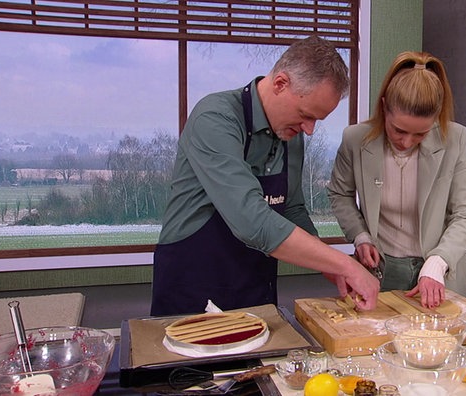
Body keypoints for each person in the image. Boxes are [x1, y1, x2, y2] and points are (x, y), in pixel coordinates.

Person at [150, 35, 380, 316]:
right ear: (281, 83)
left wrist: (330, 268)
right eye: (306, 114)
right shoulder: (215, 118)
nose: (309, 130)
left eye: (317, 120)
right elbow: (251, 221)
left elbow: (291, 210)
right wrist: (345, 265)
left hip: (254, 286)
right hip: (194, 287)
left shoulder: (290, 135)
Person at [327, 51, 466, 309]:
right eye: (398, 130)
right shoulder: (355, 139)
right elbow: (339, 194)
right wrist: (360, 236)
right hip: (383, 269)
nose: (406, 142)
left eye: (420, 134)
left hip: (441, 272)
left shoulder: (454, 139)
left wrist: (437, 262)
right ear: (385, 107)